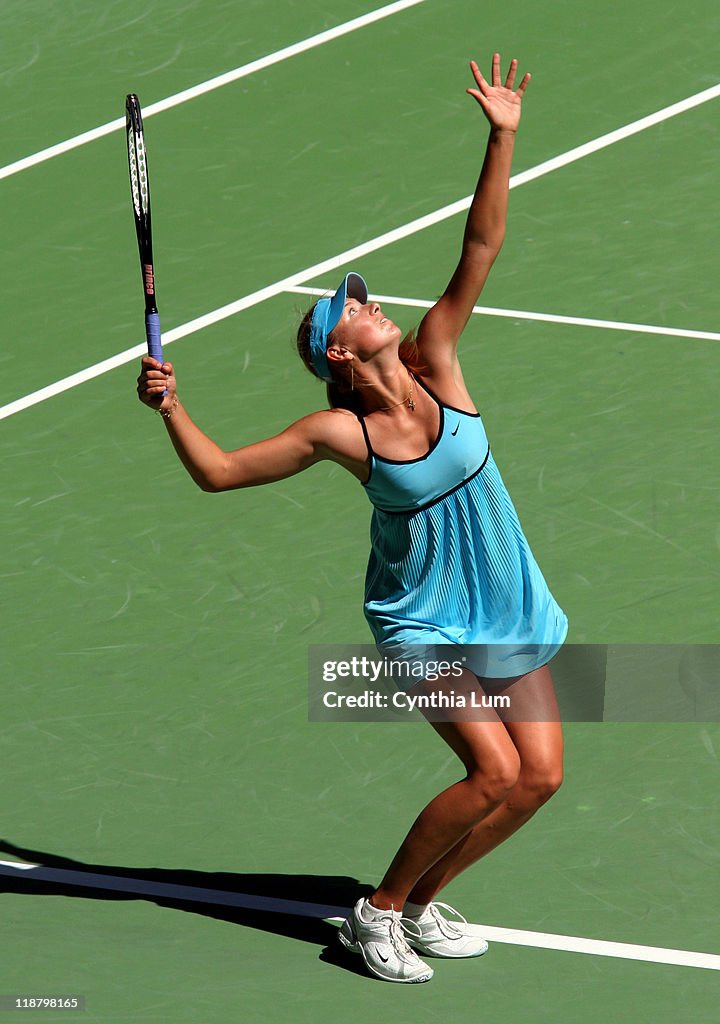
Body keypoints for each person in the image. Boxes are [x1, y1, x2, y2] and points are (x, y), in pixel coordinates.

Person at [137, 53, 567, 985]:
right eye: (356, 307)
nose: (374, 305)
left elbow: (480, 246)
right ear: (339, 350)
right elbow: (218, 475)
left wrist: (501, 137)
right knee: (490, 773)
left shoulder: (439, 360)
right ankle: (373, 916)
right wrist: (171, 406)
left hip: (504, 600)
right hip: (422, 619)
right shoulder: (339, 430)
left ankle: (417, 904)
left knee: (538, 780)